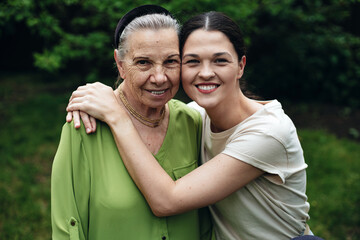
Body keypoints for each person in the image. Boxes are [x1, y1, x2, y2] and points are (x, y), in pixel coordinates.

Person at [67, 12, 315, 239]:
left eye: (219, 60)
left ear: (240, 66)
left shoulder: (268, 133)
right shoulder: (196, 117)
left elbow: (167, 201)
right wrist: (93, 96)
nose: (205, 72)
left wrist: (116, 117)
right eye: (193, 61)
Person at [51, 5, 213, 240]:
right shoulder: (83, 128)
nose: (159, 77)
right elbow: (68, 227)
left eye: (170, 61)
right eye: (143, 63)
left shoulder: (191, 122)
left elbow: (205, 221)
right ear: (120, 64)